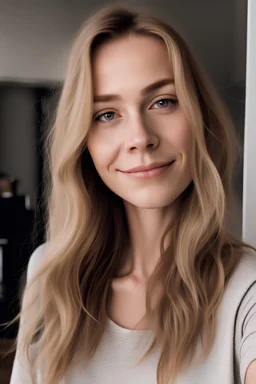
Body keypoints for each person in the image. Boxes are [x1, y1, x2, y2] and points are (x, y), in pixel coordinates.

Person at [7, 4, 256, 384]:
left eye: (163, 102)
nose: (140, 137)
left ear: (200, 118)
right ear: (83, 140)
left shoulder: (246, 289)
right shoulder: (49, 274)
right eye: (107, 114)